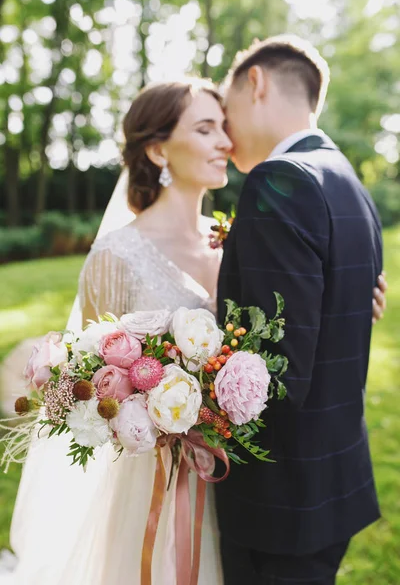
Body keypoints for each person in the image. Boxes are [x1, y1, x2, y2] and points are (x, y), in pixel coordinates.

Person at [0, 72, 386, 583]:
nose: (227, 141)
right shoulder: (117, 255)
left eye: (223, 126)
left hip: (238, 481)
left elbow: (283, 324)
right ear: (159, 151)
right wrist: (150, 412)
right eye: (206, 129)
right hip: (153, 486)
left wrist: (350, 302)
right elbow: (96, 385)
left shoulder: (235, 238)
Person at [216, 34, 384, 584]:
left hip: (280, 502)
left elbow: (274, 367)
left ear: (256, 83)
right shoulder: (345, 179)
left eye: (225, 107)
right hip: (334, 479)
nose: (224, 129)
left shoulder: (279, 179)